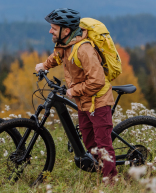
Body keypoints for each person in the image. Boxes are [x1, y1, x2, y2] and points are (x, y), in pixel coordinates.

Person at [35, 9, 118, 180]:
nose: (50, 31)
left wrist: (74, 90)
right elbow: (58, 56)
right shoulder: (66, 44)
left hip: (98, 101)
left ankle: (110, 183)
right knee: (89, 143)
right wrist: (44, 65)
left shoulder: (84, 50)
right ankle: (101, 172)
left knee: (103, 146)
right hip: (84, 101)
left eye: (53, 28)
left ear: (66, 31)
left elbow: (97, 81)